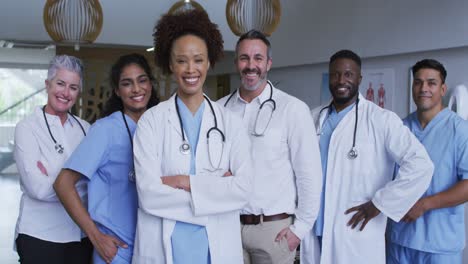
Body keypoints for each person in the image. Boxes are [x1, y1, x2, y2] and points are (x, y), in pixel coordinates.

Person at [131, 10, 253, 264]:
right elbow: (148, 194)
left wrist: (182, 181)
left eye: (198, 60)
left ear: (209, 62)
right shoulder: (151, 122)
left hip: (216, 248)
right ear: (171, 65)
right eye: (182, 61)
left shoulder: (230, 122)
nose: (191, 69)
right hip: (165, 247)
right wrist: (216, 192)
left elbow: (242, 190)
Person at [300, 49, 434, 264]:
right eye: (335, 74)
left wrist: (381, 204)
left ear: (359, 78)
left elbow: (421, 165)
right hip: (314, 228)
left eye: (348, 74)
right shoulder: (313, 117)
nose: (341, 80)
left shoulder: (381, 120)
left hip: (353, 234)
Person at [218, 29, 322, 264]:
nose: (251, 65)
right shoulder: (219, 110)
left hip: (273, 230)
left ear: (269, 63)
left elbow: (309, 174)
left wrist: (300, 228)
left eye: (258, 58)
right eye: (244, 58)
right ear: (236, 63)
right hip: (227, 226)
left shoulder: (292, 109)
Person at [53, 53, 160, 264]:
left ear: (150, 84)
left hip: (152, 247)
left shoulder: (160, 126)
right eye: (127, 83)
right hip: (116, 252)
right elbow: (63, 184)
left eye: (142, 80)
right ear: (117, 91)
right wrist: (96, 237)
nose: (137, 89)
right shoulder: (105, 130)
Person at [387, 59, 468, 264]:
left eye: (431, 83)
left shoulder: (460, 130)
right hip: (400, 240)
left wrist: (424, 205)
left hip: (440, 244)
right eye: (418, 82)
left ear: (442, 89)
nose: (424, 88)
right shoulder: (400, 128)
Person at [13, 55, 92, 264]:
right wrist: (79, 183)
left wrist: (56, 178)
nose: (66, 93)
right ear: (47, 85)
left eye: (73, 87)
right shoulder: (27, 128)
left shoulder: (86, 129)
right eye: (60, 84)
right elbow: (37, 188)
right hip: (39, 236)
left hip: (80, 236)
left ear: (78, 92)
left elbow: (95, 182)